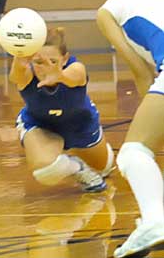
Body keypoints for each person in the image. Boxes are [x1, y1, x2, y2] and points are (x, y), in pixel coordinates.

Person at [97, 0, 164, 258]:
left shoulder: (110, 9)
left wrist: (148, 127)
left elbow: (141, 72)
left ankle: (155, 221)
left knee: (134, 153)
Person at [9, 28, 115, 193]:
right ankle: (76, 167)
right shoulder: (26, 74)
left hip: (80, 126)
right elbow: (15, 76)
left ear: (65, 58)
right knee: (46, 172)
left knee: (104, 168)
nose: (45, 67)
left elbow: (76, 77)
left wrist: (60, 76)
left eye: (52, 61)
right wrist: (18, 56)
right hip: (41, 126)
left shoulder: (76, 68)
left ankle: (88, 155)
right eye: (38, 62)